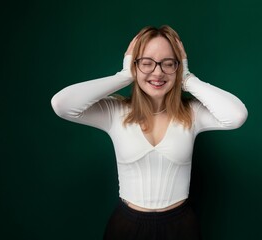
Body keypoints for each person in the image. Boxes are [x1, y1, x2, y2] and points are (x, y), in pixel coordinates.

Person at [51, 25, 248, 240]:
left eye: (168, 63)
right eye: (146, 63)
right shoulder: (114, 111)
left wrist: (188, 78)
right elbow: (61, 104)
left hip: (180, 229)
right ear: (135, 65)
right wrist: (124, 75)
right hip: (126, 228)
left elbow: (236, 116)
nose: (158, 72)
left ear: (178, 66)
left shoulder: (192, 113)